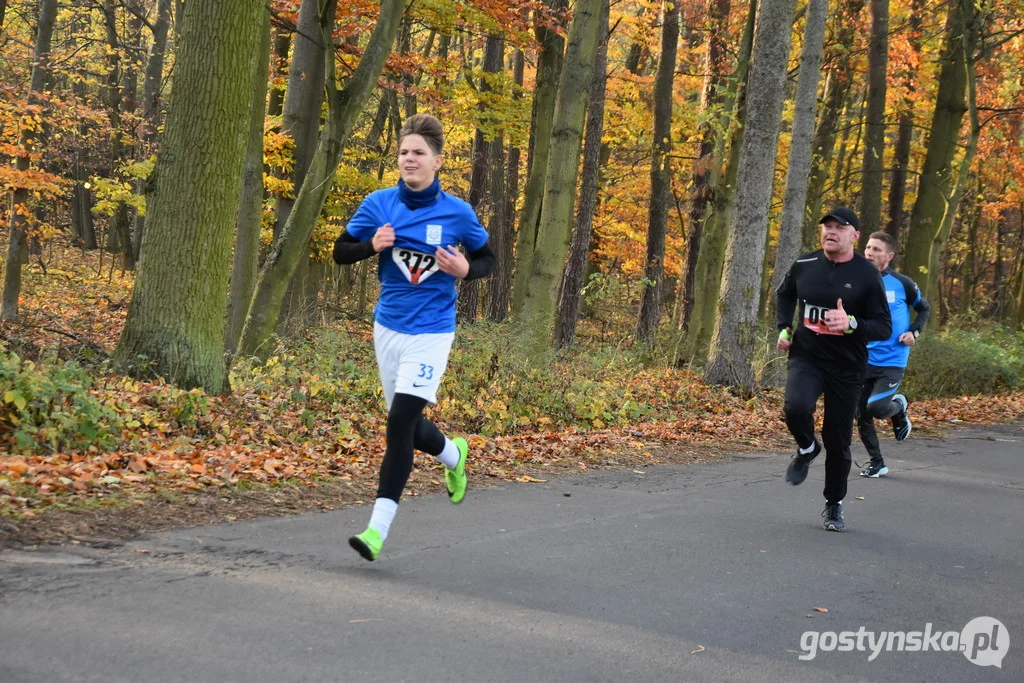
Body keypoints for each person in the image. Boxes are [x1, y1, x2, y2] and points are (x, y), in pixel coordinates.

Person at [332, 114, 494, 561]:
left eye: (419, 152)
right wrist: (371, 246)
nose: (409, 159)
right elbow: (339, 252)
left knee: (399, 423)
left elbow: (488, 260)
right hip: (388, 328)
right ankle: (455, 456)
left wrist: (466, 270)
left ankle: (375, 531)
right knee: (410, 426)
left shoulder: (458, 213)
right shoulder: (379, 203)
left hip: (432, 332)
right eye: (404, 152)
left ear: (437, 161)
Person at [776, 207, 892, 532]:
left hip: (848, 366)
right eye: (826, 226)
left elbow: (883, 326)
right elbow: (784, 295)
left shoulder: (867, 274)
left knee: (838, 439)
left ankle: (834, 503)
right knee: (795, 407)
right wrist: (784, 328)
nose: (830, 231)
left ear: (855, 235)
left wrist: (852, 323)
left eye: (839, 227)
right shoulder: (805, 264)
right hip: (807, 356)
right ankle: (806, 447)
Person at [856, 231, 931, 478]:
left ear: (889, 256)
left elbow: (923, 309)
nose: (869, 252)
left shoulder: (902, 283)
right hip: (862, 358)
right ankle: (877, 463)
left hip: (892, 360)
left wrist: (914, 332)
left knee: (877, 407)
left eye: (876, 249)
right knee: (862, 414)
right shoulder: (855, 281)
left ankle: (898, 407)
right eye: (868, 247)